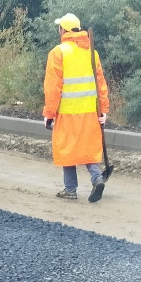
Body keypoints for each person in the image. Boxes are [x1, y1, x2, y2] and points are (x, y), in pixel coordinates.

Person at [42, 13, 111, 202]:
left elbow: (52, 87)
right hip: (89, 111)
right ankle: (97, 178)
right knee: (86, 147)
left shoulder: (58, 52)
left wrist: (49, 113)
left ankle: (70, 189)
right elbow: (100, 83)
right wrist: (103, 109)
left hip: (67, 111)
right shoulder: (92, 52)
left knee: (67, 149)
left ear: (62, 30)